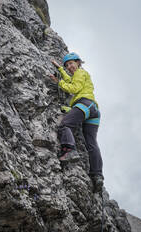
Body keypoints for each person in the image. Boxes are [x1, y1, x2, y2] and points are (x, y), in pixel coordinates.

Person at [49, 52, 104, 191]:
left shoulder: (80, 72)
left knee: (65, 124)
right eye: (67, 65)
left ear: (78, 63)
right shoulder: (81, 74)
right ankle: (97, 176)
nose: (69, 67)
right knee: (91, 143)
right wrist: (60, 70)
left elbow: (73, 88)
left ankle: (69, 150)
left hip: (84, 104)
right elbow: (71, 81)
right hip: (93, 110)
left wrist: (58, 82)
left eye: (71, 63)